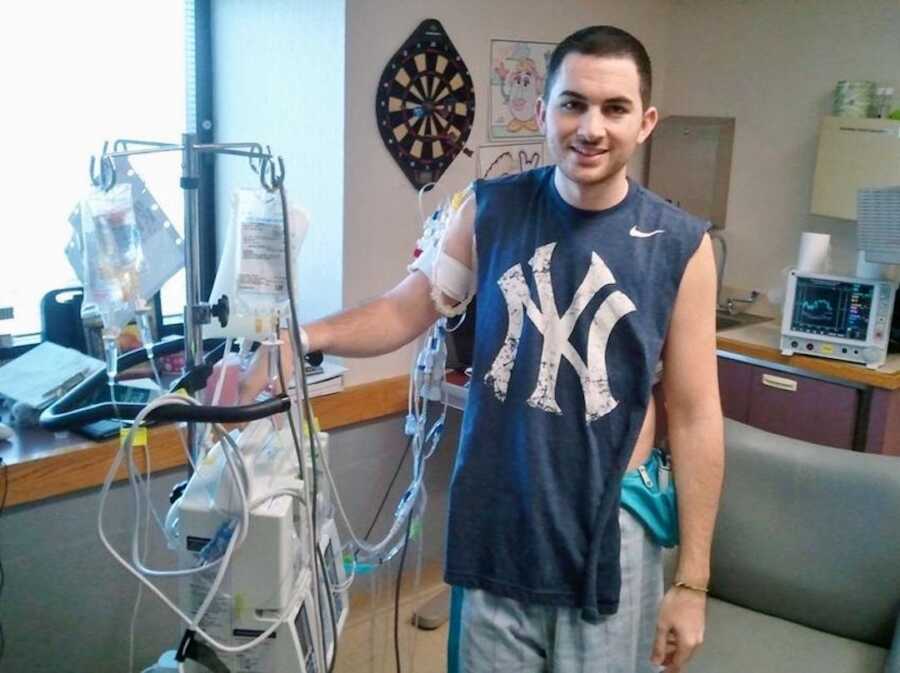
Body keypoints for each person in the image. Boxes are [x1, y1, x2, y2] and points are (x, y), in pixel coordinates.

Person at [242, 24, 723, 673]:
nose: (591, 127)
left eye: (615, 108)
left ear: (646, 122)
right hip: (497, 522)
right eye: (573, 103)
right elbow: (404, 307)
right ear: (543, 111)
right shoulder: (488, 210)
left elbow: (695, 416)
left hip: (609, 532)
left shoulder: (680, 246)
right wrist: (304, 337)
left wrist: (691, 584)